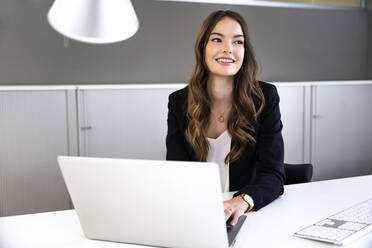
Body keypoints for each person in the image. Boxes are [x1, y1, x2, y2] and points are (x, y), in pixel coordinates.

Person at [166, 9, 285, 226]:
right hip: (197, 215)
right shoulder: (178, 102)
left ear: (245, 51)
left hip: (247, 215)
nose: (228, 49)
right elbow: (176, 173)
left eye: (238, 42)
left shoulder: (265, 98)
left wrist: (241, 201)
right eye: (217, 39)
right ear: (202, 47)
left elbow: (273, 173)